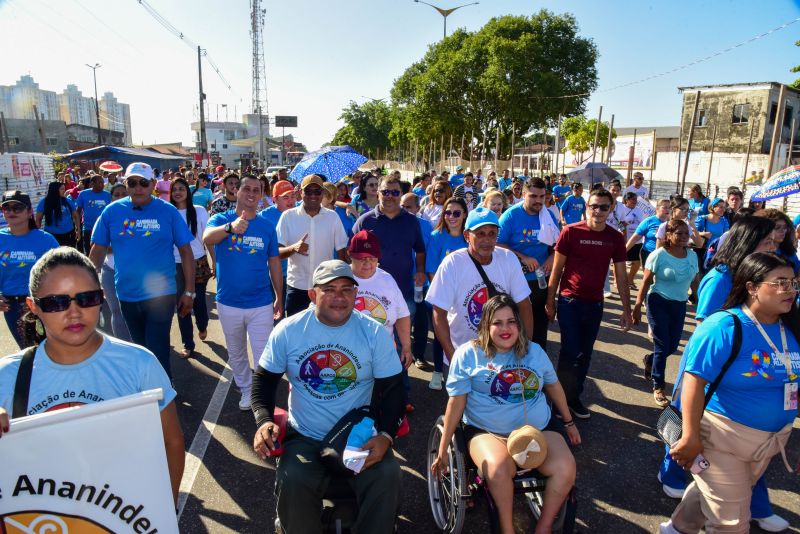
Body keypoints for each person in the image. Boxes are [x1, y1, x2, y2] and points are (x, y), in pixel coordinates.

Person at [0, 247, 185, 505]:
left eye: (86, 298)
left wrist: (164, 512)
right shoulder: (7, 375)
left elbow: (171, 443)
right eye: (56, 302)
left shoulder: (139, 363)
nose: (73, 312)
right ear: (34, 307)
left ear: (102, 297)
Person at [251, 260, 404, 534]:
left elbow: (394, 390)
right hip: (305, 436)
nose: (339, 297)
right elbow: (263, 380)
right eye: (329, 289)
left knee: (387, 475)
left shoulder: (374, 333)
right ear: (313, 294)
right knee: (293, 478)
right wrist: (263, 420)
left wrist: (386, 436)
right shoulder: (288, 330)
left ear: (356, 294)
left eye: (347, 289)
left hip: (358, 436)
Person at [661, 252, 799, 534]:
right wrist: (690, 436)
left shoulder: (792, 329)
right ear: (751, 287)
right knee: (731, 523)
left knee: (712, 496)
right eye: (780, 282)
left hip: (771, 441)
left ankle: (676, 529)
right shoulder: (724, 325)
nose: (790, 290)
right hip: (722, 439)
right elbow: (693, 382)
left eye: (794, 282)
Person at [431, 295, 580, 534]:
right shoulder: (468, 355)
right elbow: (456, 404)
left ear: (519, 325)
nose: (505, 329)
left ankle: (544, 526)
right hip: (488, 432)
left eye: (511, 321)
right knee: (499, 470)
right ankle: (507, 528)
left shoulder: (535, 352)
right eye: (497, 323)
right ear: (485, 326)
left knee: (565, 467)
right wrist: (443, 449)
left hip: (537, 429)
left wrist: (569, 422)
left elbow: (554, 386)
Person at [89, 162, 196, 379]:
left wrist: (189, 292)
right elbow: (98, 250)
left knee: (157, 347)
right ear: (125, 183)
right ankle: (148, 392)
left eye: (144, 183)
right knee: (139, 348)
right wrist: (90, 287)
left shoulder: (168, 212)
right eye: (133, 182)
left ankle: (164, 392)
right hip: (127, 295)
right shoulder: (112, 212)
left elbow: (186, 251)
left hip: (161, 295)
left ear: (154, 184)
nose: (138, 188)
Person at [546, 189, 632, 419]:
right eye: (594, 206)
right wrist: (550, 301)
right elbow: (557, 269)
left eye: (604, 207)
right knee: (569, 352)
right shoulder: (570, 232)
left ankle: (573, 398)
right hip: (569, 301)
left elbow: (621, 276)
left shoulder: (615, 238)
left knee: (585, 354)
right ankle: (560, 400)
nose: (599, 211)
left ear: (611, 209)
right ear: (587, 206)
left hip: (595, 304)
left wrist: (627, 309)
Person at [204, 174, 283, 410]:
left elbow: (274, 263)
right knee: (236, 352)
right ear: (236, 191)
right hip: (229, 302)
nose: (251, 193)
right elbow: (207, 237)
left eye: (256, 190)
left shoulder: (267, 227)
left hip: (260, 302)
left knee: (263, 355)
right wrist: (230, 228)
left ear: (261, 195)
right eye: (246, 188)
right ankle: (246, 390)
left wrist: (279, 295)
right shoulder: (221, 219)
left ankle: (260, 395)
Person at [352, 175, 427, 411]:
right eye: (386, 192)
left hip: (403, 291)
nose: (391, 197)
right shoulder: (365, 221)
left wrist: (421, 271)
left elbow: (420, 250)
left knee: (400, 346)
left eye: (395, 192)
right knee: (364, 347)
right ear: (378, 193)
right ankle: (365, 398)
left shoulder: (412, 221)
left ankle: (401, 396)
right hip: (368, 295)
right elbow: (351, 251)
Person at [427, 207, 533, 365]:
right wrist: (453, 357)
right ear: (466, 236)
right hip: (463, 356)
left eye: (492, 234)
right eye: (480, 234)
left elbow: (524, 306)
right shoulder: (453, 263)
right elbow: (439, 313)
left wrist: (524, 349)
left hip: (504, 356)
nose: (487, 240)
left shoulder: (508, 258)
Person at [632, 219, 699, 407]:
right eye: (679, 233)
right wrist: (637, 306)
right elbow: (645, 282)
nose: (684, 237)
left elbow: (695, 280)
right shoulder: (658, 255)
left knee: (672, 346)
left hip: (679, 304)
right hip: (657, 302)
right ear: (668, 235)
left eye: (686, 234)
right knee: (662, 345)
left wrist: (699, 299)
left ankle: (650, 360)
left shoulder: (692, 256)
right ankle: (658, 386)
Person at [497, 177, 560, 351]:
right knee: (514, 322)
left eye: (542, 196)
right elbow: (497, 243)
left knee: (539, 324)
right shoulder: (510, 215)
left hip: (540, 281)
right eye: (533, 196)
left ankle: (536, 361)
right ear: (523, 194)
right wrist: (522, 257)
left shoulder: (549, 216)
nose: (538, 201)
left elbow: (559, 245)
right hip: (515, 280)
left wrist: (551, 257)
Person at [277, 174, 348, 317]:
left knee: (323, 333)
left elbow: (342, 252)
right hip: (297, 287)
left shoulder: (332, 217)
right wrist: (294, 248)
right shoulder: (288, 216)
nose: (313, 195)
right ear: (300, 193)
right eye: (308, 191)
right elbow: (276, 253)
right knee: (295, 334)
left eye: (317, 191)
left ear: (323, 194)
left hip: (325, 287)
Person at [0, 191, 58, 348]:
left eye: (17, 207)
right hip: (12, 308)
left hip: (44, 304)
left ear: (29, 211)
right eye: (6, 208)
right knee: (28, 352)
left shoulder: (46, 240)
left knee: (53, 349)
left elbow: (61, 271)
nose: (11, 212)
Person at [349, 230, 412, 369]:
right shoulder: (341, 279)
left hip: (383, 355)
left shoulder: (387, 280)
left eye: (372, 258)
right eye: (361, 258)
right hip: (350, 357)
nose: (367, 263)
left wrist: (406, 346)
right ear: (351, 256)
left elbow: (402, 315)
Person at [695, 217, 776, 321]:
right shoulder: (719, 279)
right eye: (768, 241)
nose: (774, 248)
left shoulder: (753, 273)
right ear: (748, 242)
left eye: (774, 242)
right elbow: (705, 324)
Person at [425, 197, 469, 389]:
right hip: (443, 296)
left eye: (457, 213)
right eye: (448, 213)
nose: (452, 217)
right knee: (441, 333)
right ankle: (437, 371)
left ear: (465, 215)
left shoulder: (469, 237)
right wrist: (446, 295)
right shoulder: (437, 236)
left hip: (467, 295)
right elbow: (432, 269)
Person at [170, 178, 211, 358]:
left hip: (199, 262)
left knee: (199, 301)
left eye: (181, 188)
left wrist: (216, 262)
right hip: (176, 264)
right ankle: (188, 343)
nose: (178, 192)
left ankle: (202, 325)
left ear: (188, 190)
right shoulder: (168, 213)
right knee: (182, 305)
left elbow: (208, 239)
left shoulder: (200, 211)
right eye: (174, 189)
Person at [401, 192, 435, 372]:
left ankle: (419, 355)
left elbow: (429, 252)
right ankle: (401, 354)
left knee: (421, 321)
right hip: (399, 282)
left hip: (420, 283)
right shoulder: (395, 222)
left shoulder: (426, 226)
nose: (405, 210)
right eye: (403, 206)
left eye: (409, 207)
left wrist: (424, 274)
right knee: (403, 321)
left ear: (417, 208)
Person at [98, 184, 131, 342]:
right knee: (116, 312)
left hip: (135, 272)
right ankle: (123, 346)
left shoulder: (139, 216)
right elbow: (100, 247)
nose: (120, 197)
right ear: (111, 198)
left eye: (123, 194)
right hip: (110, 270)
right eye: (116, 194)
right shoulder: (105, 216)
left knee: (135, 310)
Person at [258, 180, 296, 311]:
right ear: (274, 199)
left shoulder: (301, 212)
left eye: (293, 196)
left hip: (296, 275)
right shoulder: (264, 217)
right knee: (275, 316)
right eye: (285, 197)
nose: (290, 201)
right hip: (273, 275)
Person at [627, 199, 671, 269]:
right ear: (657, 209)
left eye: (669, 207)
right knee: (649, 279)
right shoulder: (649, 221)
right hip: (648, 254)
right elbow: (635, 237)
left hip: (667, 255)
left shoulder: (672, 223)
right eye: (665, 207)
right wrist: (624, 251)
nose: (668, 210)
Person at [75, 173, 111, 255]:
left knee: (104, 253)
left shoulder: (107, 195)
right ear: (92, 183)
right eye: (100, 182)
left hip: (104, 229)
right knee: (89, 253)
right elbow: (78, 211)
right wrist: (77, 228)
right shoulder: (83, 194)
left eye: (103, 182)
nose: (102, 184)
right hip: (88, 229)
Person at [35, 181, 80, 247]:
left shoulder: (67, 201)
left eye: (64, 189)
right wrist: (38, 234)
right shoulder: (44, 202)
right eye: (62, 189)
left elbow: (76, 216)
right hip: (51, 235)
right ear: (55, 190)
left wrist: (78, 230)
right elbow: (38, 219)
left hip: (68, 234)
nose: (64, 191)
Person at [755, 208, 800, 272]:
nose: (783, 231)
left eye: (785, 227)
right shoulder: (759, 250)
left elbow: (797, 269)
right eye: (777, 227)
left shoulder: (788, 250)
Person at [695, 198, 729, 274]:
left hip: (717, 253)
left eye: (724, 207)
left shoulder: (724, 221)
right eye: (721, 207)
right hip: (703, 252)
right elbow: (692, 232)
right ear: (713, 207)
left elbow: (726, 235)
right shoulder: (702, 219)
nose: (723, 209)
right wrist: (702, 233)